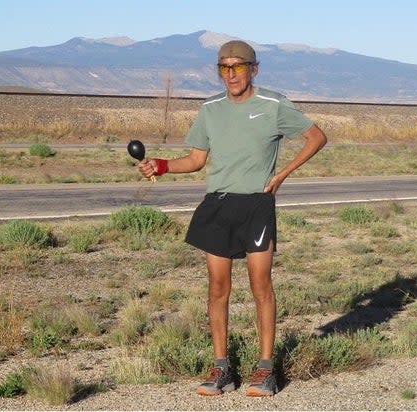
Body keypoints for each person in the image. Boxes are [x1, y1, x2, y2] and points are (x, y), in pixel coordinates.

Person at [137, 40, 327, 397]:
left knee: (261, 286)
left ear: (254, 69)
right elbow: (195, 160)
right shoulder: (210, 109)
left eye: (238, 66)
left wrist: (283, 174)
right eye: (223, 67)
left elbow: (316, 137)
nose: (230, 74)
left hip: (257, 205)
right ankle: (221, 368)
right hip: (219, 206)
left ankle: (265, 370)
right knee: (217, 288)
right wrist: (160, 166)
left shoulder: (273, 104)